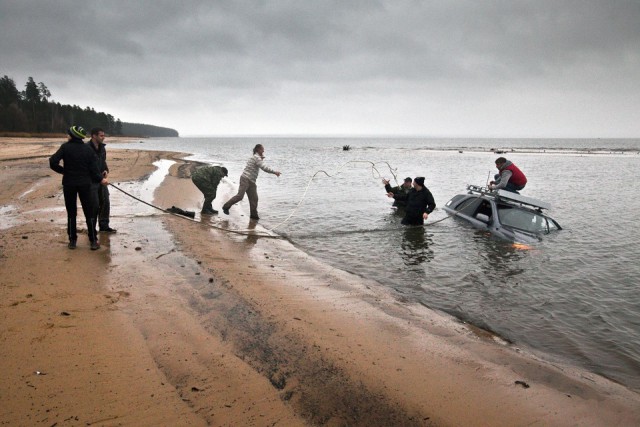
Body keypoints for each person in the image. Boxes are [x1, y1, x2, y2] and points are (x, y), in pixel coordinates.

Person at [49, 126, 108, 250]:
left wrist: (63, 171)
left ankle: (72, 240)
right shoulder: (87, 149)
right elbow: (94, 169)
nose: (67, 135)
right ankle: (93, 240)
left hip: (69, 184)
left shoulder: (65, 147)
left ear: (72, 135)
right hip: (85, 184)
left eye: (68, 133)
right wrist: (101, 179)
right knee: (89, 213)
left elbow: (52, 162)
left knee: (71, 213)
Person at [222, 144, 281, 220]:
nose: (263, 151)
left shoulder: (256, 158)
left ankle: (254, 216)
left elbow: (257, 165)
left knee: (254, 199)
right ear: (258, 150)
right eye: (262, 149)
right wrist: (275, 172)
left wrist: (261, 159)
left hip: (252, 181)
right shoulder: (256, 158)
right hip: (245, 179)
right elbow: (264, 168)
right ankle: (226, 207)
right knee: (240, 196)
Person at [88, 127, 116, 233]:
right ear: (94, 136)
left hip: (102, 180)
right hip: (91, 182)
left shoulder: (102, 148)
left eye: (104, 135)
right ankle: (92, 229)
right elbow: (88, 167)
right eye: (101, 135)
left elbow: (103, 162)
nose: (103, 137)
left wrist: (105, 170)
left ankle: (104, 226)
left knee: (105, 202)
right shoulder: (87, 148)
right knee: (94, 205)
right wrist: (99, 178)